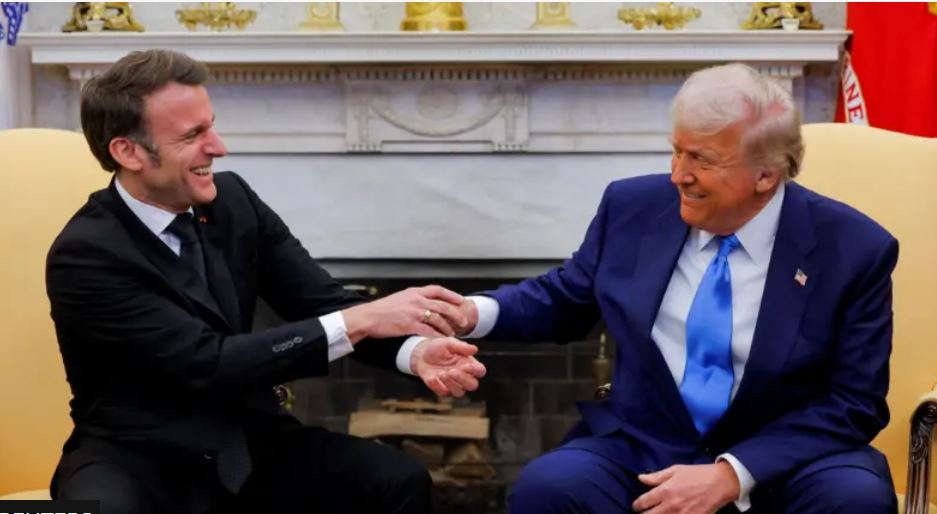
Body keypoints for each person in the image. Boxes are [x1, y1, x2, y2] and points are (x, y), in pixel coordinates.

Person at [420, 63, 898, 513]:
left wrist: (733, 474)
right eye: (676, 150)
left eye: (701, 159)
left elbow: (854, 403)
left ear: (765, 175)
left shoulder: (854, 249)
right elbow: (565, 298)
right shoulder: (633, 206)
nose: (677, 175)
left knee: (855, 499)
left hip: (785, 458)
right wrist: (470, 313)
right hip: (646, 444)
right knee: (550, 487)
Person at [46, 49, 486, 514]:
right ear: (128, 151)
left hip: (248, 442)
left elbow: (319, 301)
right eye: (193, 135)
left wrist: (413, 352)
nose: (218, 147)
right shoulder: (86, 254)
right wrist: (361, 319)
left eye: (212, 126)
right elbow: (207, 363)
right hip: (136, 456)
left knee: (397, 480)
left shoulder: (234, 201)